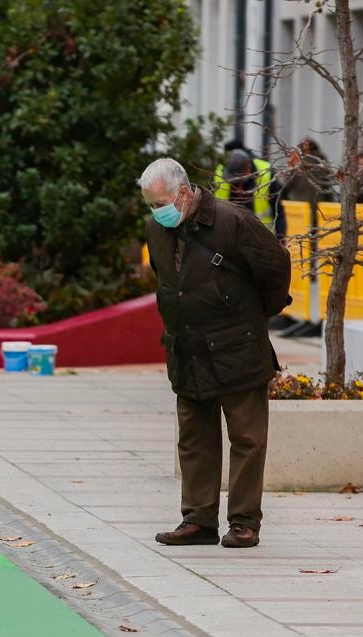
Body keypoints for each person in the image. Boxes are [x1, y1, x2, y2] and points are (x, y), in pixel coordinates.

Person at [139, 157, 292, 549]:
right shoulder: (156, 227)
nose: (160, 212)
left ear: (186, 192)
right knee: (194, 438)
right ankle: (198, 520)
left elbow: (274, 267)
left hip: (236, 345)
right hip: (187, 347)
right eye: (152, 205)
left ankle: (244, 523)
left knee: (246, 437)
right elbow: (166, 276)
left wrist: (252, 316)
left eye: (165, 202)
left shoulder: (232, 221)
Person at [215, 147, 286, 239]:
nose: (237, 184)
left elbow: (279, 211)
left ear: (247, 168)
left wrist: (281, 239)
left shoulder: (266, 174)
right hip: (230, 238)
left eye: (238, 178)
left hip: (261, 238)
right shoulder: (220, 174)